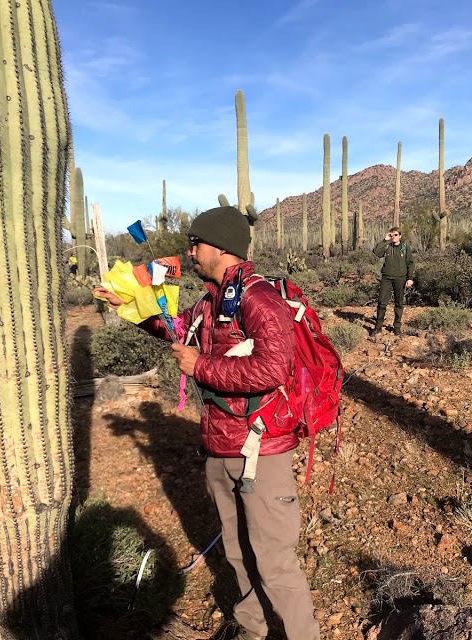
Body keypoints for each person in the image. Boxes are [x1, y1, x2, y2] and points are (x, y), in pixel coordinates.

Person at [93, 206, 320, 640]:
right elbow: (180, 330)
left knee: (274, 559)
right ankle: (252, 627)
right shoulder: (212, 299)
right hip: (221, 445)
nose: (190, 251)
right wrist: (135, 310)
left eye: (196, 243)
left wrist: (201, 366)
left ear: (220, 246)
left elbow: (273, 368)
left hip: (260, 451)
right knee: (236, 550)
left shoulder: (258, 298)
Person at [371, 226, 415, 336]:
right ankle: (378, 327)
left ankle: (397, 327)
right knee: (382, 302)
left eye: (396, 235)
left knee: (399, 302)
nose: (393, 237)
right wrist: (384, 240)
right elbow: (376, 252)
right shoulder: (387, 246)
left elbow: (410, 264)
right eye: (392, 234)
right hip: (386, 277)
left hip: (400, 278)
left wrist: (410, 278)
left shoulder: (405, 248)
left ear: (400, 236)